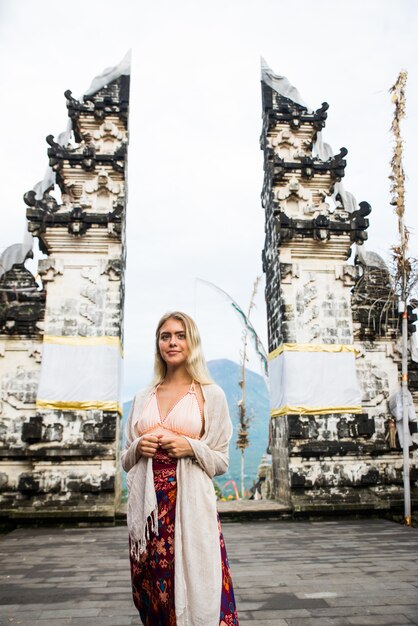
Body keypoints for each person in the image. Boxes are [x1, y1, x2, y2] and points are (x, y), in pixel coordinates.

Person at [122, 311, 239, 626]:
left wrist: (191, 447)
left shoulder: (210, 395)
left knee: (196, 583)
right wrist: (137, 448)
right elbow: (125, 458)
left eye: (180, 335)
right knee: (151, 589)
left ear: (193, 342)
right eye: (165, 336)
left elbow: (221, 461)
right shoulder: (143, 396)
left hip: (188, 506)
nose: (172, 342)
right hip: (148, 510)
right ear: (158, 344)